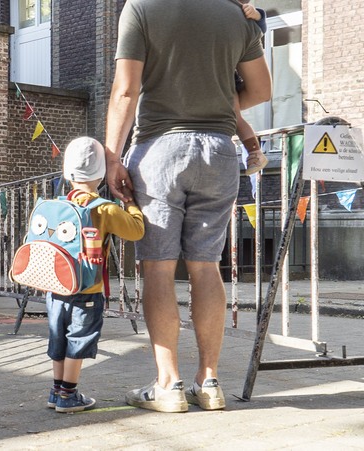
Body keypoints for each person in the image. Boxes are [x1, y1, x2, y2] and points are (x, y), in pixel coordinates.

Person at [104, 0, 271, 412]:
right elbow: (261, 90)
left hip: (159, 149)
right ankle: (208, 381)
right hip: (219, 150)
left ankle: (168, 384)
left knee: (158, 267)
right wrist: (213, 99)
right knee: (206, 265)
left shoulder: (141, 8)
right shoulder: (236, 14)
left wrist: (111, 157)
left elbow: (126, 90)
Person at [44, 137, 144, 413]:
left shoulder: (57, 205)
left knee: (58, 339)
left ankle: (56, 391)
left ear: (67, 173)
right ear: (101, 175)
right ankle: (68, 395)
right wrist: (130, 202)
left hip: (56, 287)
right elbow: (136, 231)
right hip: (86, 289)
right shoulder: (104, 208)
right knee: (78, 340)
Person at [235, 0, 269, 175]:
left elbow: (259, 29)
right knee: (234, 117)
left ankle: (255, 152)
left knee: (234, 117)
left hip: (227, 77)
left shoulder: (242, 12)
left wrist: (258, 15)